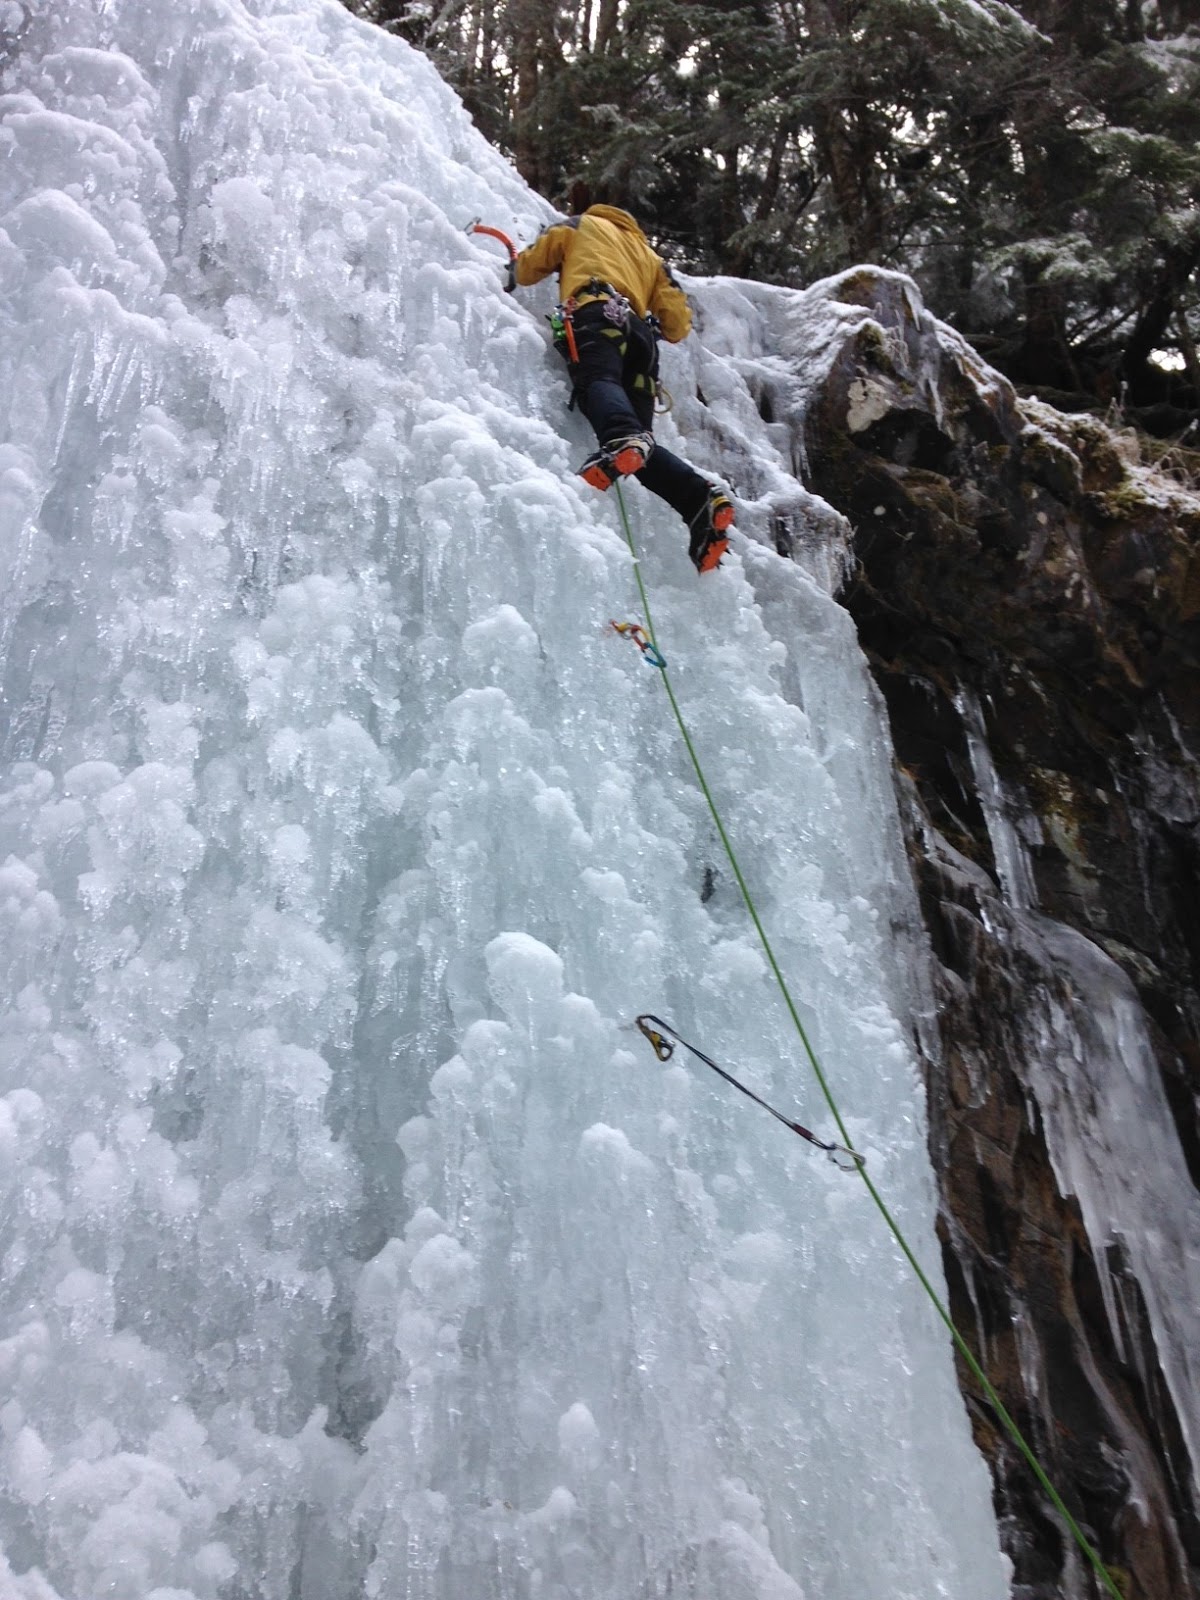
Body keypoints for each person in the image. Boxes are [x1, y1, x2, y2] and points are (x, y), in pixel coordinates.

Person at [507, 203, 735, 574]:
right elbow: (677, 325)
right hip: (642, 341)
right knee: (639, 445)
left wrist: (512, 270)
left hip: (597, 312)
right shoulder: (651, 257)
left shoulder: (582, 224)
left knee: (601, 385)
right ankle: (699, 500)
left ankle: (624, 439)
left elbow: (532, 266)